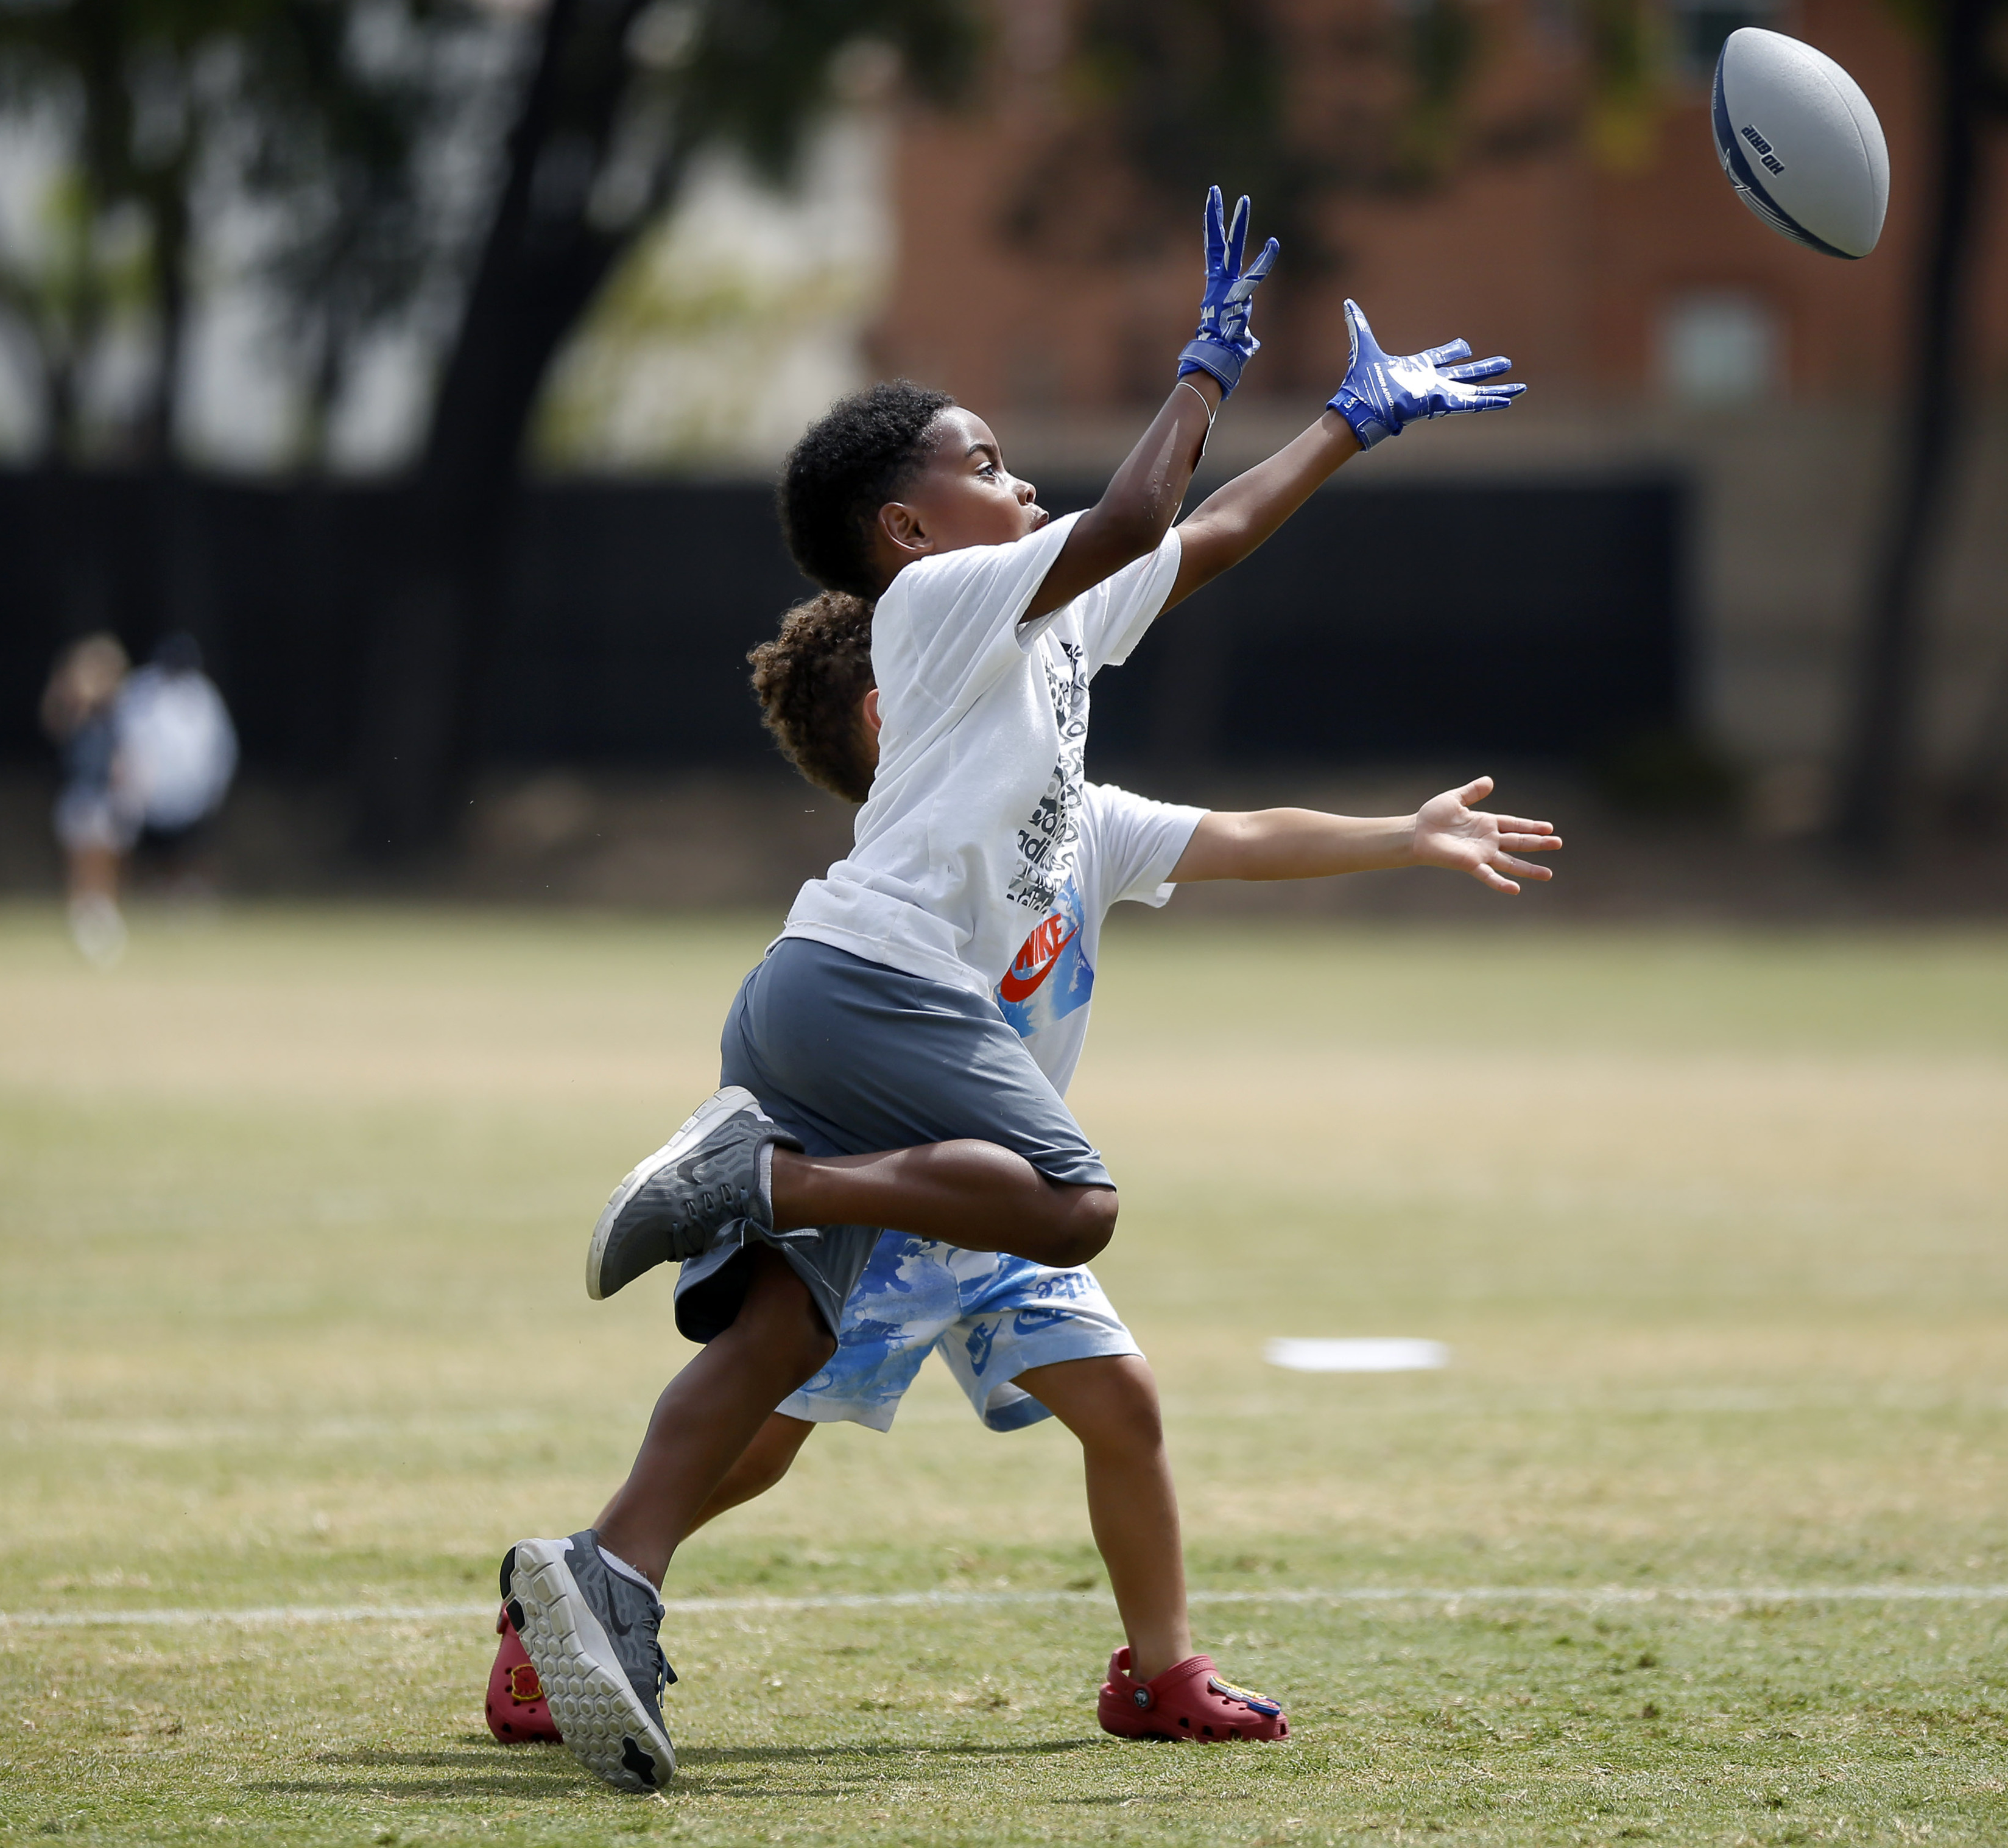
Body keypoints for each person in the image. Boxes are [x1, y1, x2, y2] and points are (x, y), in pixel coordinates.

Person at [499, 186, 1526, 1793]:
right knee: (1076, 1195)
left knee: (772, 1361)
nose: (1014, 473)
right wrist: (1196, 371)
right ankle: (752, 1174)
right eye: (980, 461)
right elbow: (1127, 518)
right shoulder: (939, 601)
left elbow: (1206, 539)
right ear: (904, 529)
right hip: (865, 996)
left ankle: (603, 1571)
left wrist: (1343, 421)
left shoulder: (1042, 650)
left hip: (838, 1016)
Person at [484, 592, 1559, 1752]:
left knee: (1122, 1406)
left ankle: (1161, 1675)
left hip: (1005, 1211)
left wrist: (1405, 832)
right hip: (892, 1199)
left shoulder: (1077, 826)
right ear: (906, 718)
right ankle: (570, 1599)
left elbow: (1239, 836)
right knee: (756, 1451)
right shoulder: (917, 864)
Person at [112, 631, 239, 898]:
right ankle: (147, 896)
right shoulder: (142, 689)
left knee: (192, 850)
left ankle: (188, 899)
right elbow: (125, 736)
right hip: (149, 793)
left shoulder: (202, 694)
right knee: (148, 854)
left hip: (192, 793)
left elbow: (221, 744)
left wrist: (216, 786)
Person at [40, 633, 133, 966]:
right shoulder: (75, 711)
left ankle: (104, 916)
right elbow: (54, 716)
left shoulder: (115, 712)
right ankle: (82, 917)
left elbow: (124, 751)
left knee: (105, 858)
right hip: (81, 793)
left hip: (105, 795)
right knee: (80, 859)